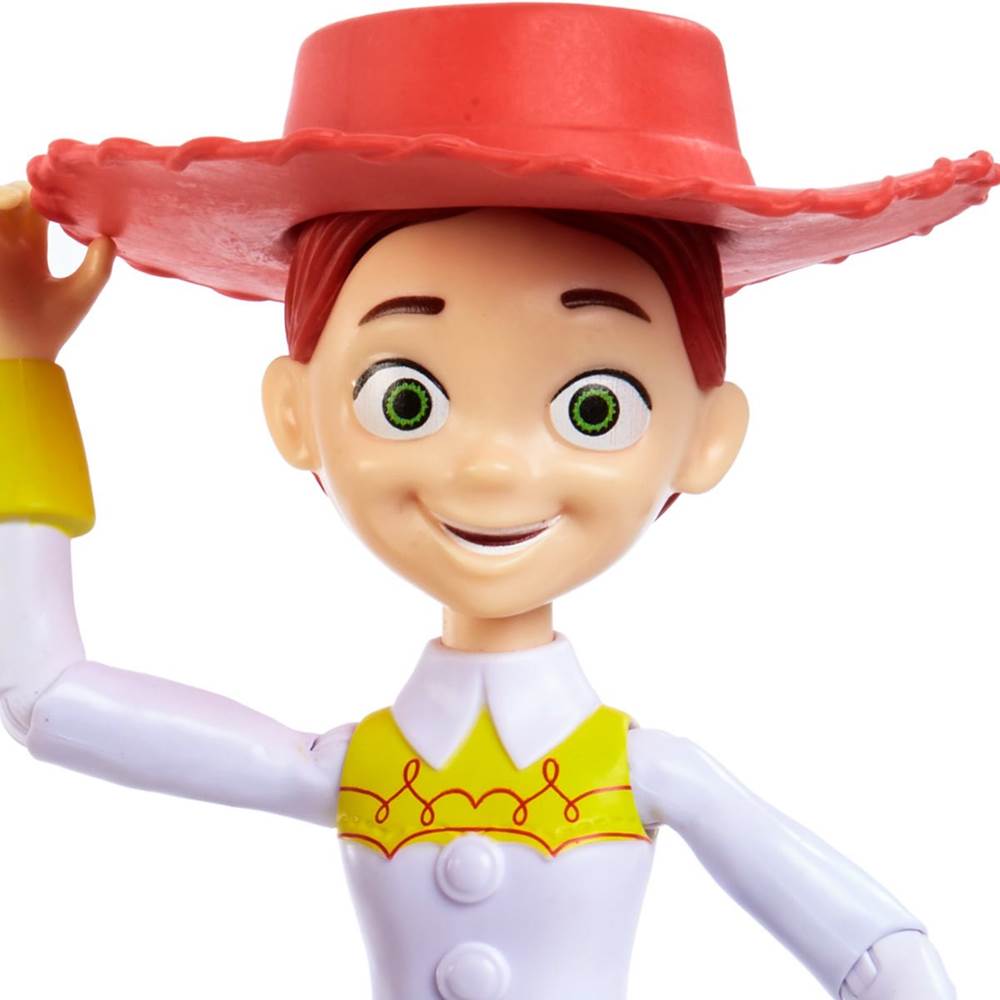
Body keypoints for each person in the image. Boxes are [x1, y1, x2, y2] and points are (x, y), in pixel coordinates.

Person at [2, 5, 994, 999]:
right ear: (295, 413)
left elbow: (884, 957)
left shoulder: (647, 776)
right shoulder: (360, 768)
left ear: (706, 435)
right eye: (405, 399)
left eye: (594, 407)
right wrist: (19, 377)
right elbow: (44, 697)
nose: (490, 467)